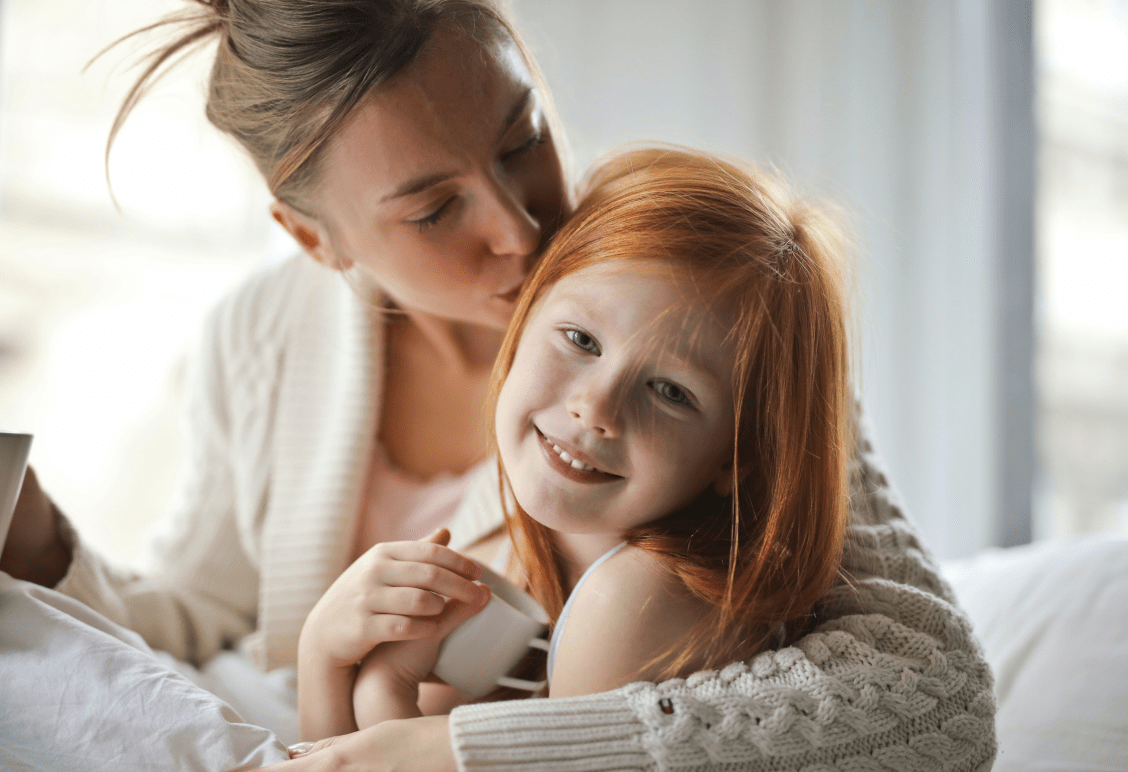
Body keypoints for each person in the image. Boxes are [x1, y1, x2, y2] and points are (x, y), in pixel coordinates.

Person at [0, 1, 997, 770]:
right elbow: (197, 616)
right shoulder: (262, 331)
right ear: (314, 238)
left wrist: (460, 752)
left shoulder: (685, 290)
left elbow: (936, 692)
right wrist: (40, 540)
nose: (522, 229)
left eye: (523, 140)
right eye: (434, 210)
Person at [320, 145, 855, 737]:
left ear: (736, 458)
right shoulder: (527, 549)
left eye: (671, 391)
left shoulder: (637, 602)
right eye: (580, 339)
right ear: (520, 322)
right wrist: (323, 656)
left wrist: (380, 697)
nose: (595, 408)